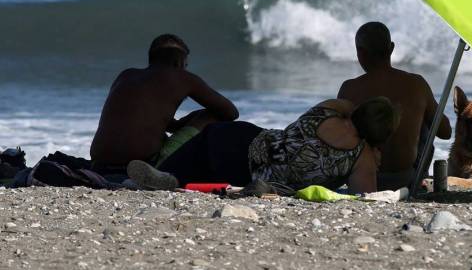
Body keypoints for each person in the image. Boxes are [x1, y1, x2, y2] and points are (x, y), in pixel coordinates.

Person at [127, 97, 400, 194]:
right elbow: (365, 198)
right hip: (254, 177)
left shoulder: (329, 109)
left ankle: (166, 174)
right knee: (221, 176)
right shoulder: (361, 158)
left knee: (210, 137)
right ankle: (176, 181)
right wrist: (374, 152)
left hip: (247, 145)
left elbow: (351, 106)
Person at [90, 34, 238, 173]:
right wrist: (196, 117)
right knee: (210, 115)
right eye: (185, 65)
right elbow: (231, 112)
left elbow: (143, 118)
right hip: (144, 164)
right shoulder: (183, 78)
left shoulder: (126, 75)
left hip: (99, 163)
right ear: (179, 63)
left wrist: (181, 123)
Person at [337, 22, 452, 190]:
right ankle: (420, 180)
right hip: (406, 180)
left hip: (362, 178)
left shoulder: (349, 88)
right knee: (428, 121)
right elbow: (445, 131)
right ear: (391, 48)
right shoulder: (417, 84)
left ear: (360, 53)